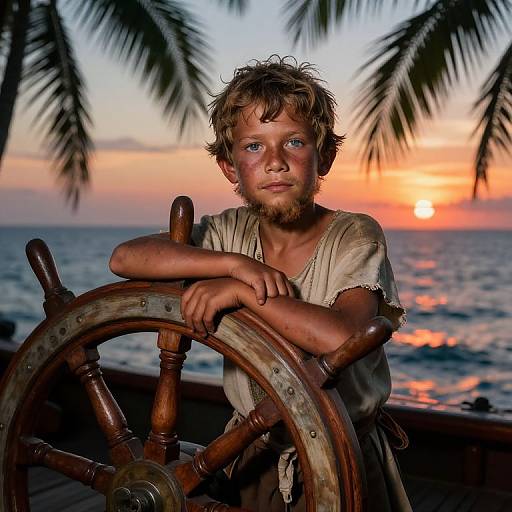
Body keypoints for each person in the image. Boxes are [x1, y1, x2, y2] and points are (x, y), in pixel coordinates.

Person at [109, 55, 412, 512]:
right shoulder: (227, 233)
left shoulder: (355, 233)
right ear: (230, 168)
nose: (275, 162)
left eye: (294, 142)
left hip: (343, 450)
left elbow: (345, 337)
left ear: (323, 155)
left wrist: (241, 292)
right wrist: (233, 265)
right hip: (250, 453)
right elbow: (124, 257)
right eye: (253, 147)